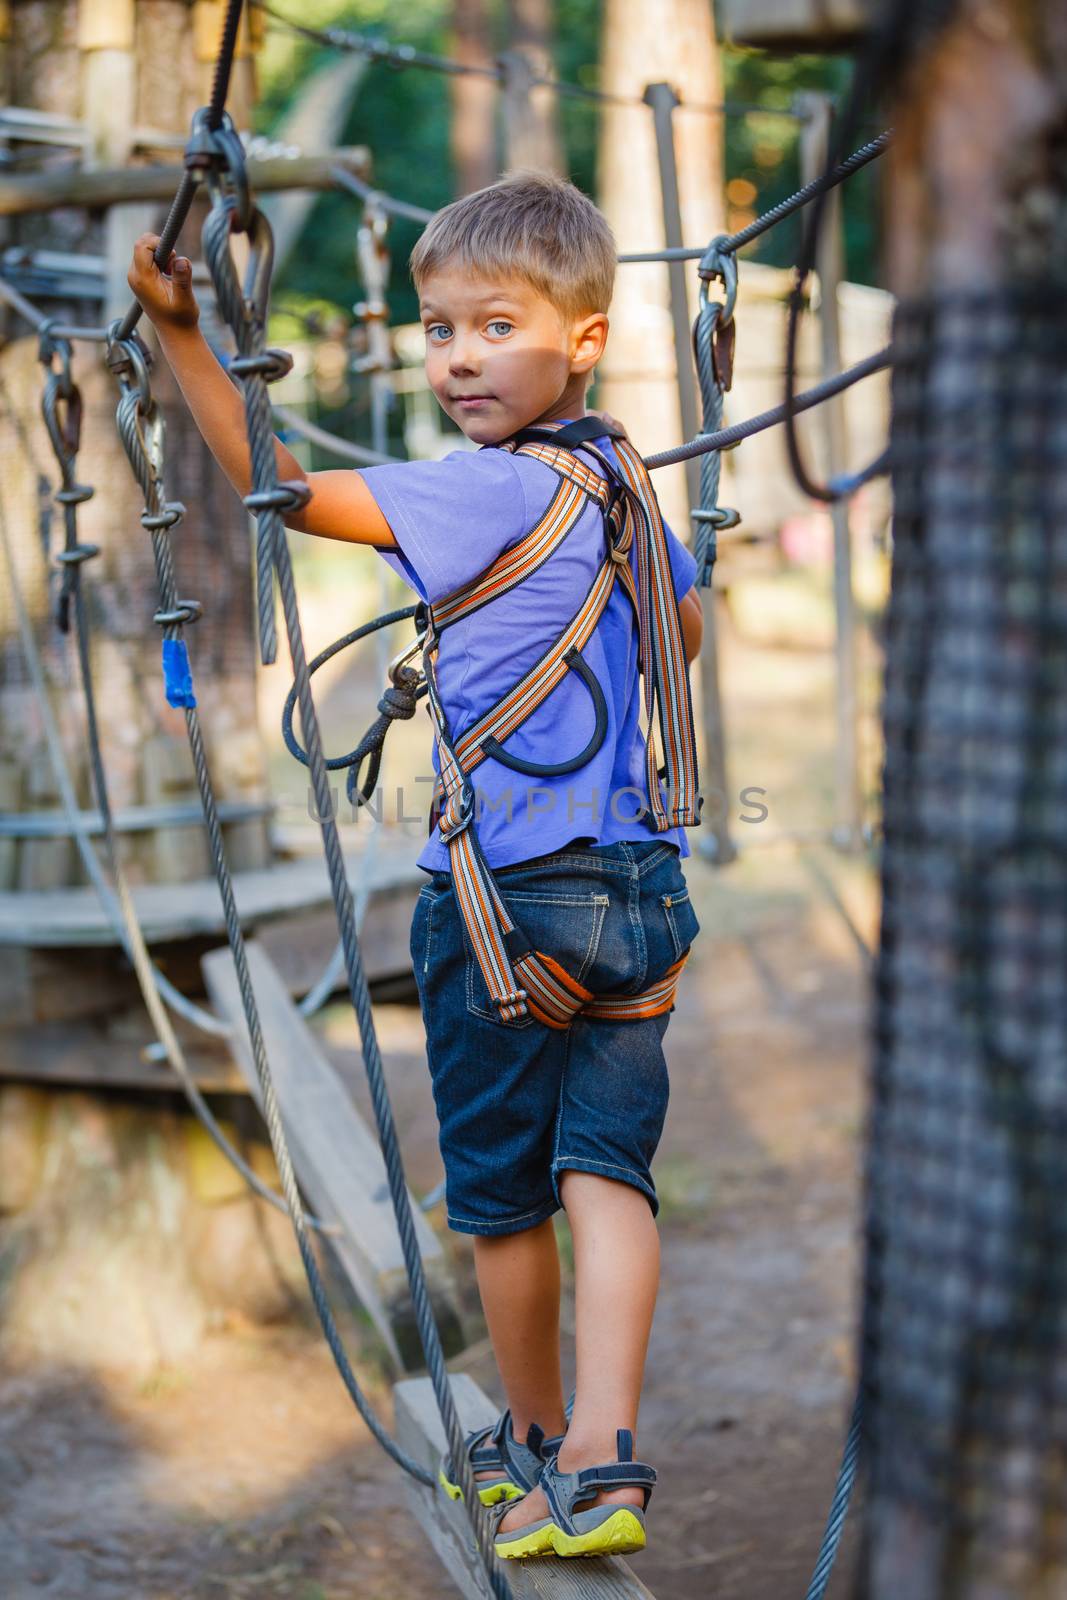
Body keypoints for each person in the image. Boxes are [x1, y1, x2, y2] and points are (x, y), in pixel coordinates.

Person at [128, 168, 704, 1561]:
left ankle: (521, 1447)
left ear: (578, 339)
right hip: (640, 893)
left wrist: (183, 338)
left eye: (491, 326)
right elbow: (683, 633)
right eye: (437, 327)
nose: (454, 356)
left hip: (506, 905)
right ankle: (609, 1459)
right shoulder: (621, 477)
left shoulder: (481, 492)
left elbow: (276, 484)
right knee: (610, 1176)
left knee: (505, 1197)